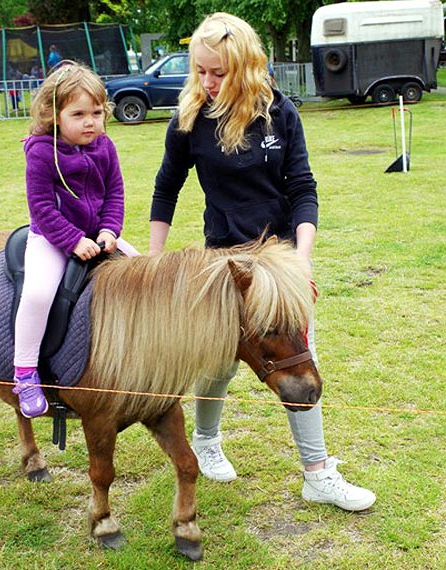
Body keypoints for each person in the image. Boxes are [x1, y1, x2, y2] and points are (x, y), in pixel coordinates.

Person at [148, 12, 376, 512]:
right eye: (201, 71)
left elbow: (303, 189)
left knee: (298, 352)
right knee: (220, 362)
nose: (207, 83)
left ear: (247, 66)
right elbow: (166, 188)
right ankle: (206, 441)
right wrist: (153, 259)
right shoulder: (189, 118)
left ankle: (317, 473)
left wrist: (303, 262)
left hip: (280, 259)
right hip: (226, 262)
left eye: (218, 73)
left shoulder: (281, 113)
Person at [12, 60, 125, 418]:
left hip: (98, 236)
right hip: (51, 239)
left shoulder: (105, 146)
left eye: (96, 112)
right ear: (54, 114)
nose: (90, 121)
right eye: (78, 113)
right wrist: (73, 240)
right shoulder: (42, 152)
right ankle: (26, 372)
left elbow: (115, 195)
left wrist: (109, 230)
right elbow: (41, 207)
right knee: (38, 293)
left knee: (142, 274)